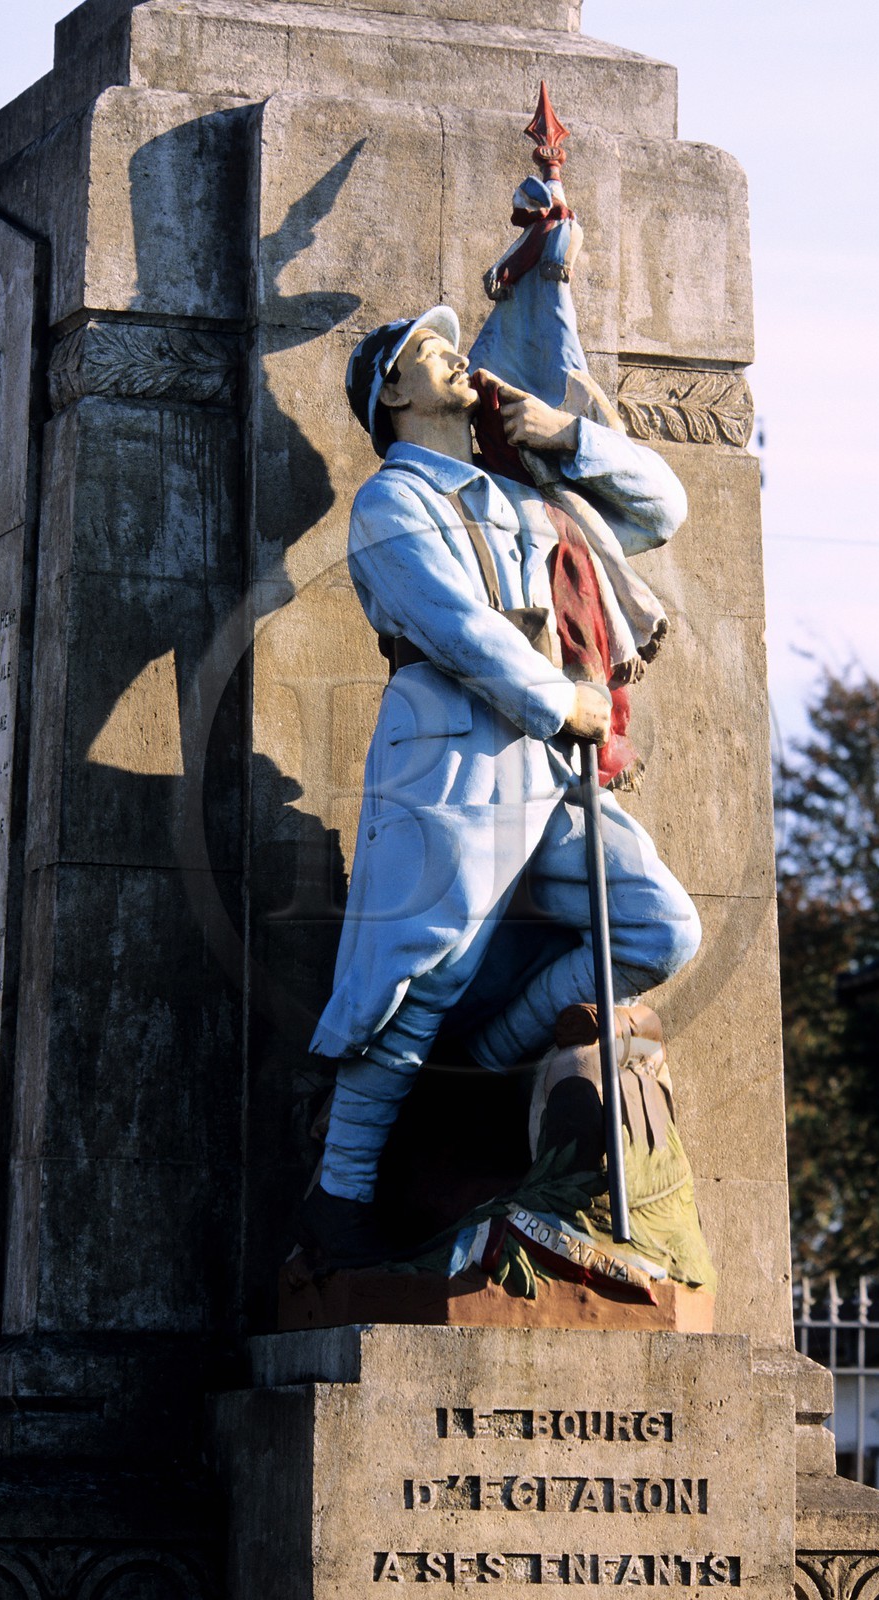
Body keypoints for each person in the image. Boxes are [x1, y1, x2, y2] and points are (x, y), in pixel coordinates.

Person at [298, 303, 701, 1267]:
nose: (460, 361)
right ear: (393, 390)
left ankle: (477, 1073)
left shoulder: (517, 492)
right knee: (417, 973)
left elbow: (657, 510)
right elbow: (451, 624)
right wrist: (562, 700)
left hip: (552, 769)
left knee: (657, 928)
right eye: (434, 352)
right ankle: (340, 1193)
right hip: (451, 752)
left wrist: (559, 434)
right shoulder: (391, 502)